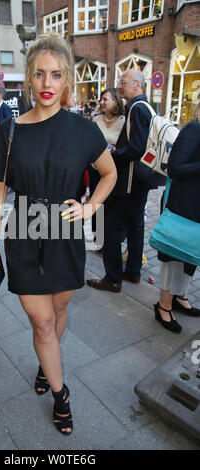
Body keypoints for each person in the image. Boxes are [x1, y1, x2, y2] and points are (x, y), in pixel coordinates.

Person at [0, 33, 117, 435]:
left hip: (65, 231)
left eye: (56, 75)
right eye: (39, 74)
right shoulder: (8, 131)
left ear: (67, 81)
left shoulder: (83, 131)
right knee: (41, 322)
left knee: (58, 312)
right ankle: (61, 393)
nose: (47, 83)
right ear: (28, 78)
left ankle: (46, 365)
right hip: (23, 229)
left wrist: (90, 207)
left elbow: (108, 175)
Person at [87, 69, 155, 293]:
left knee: (111, 228)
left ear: (137, 85)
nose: (119, 85)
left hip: (128, 182)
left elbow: (136, 148)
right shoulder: (145, 107)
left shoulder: (136, 109)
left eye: (123, 82)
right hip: (141, 181)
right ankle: (133, 271)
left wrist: (109, 157)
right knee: (136, 224)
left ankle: (113, 278)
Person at [154, 102, 200, 333]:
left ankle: (180, 297)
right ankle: (163, 305)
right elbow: (175, 168)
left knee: (191, 253)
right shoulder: (193, 128)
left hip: (197, 207)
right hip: (183, 204)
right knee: (174, 251)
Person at [86, 88, 124, 254]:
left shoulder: (123, 122)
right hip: (95, 170)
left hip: (114, 171)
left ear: (115, 101)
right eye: (101, 99)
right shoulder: (95, 121)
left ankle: (110, 241)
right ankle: (98, 239)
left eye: (105, 99)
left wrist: (115, 150)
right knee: (96, 204)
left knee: (111, 208)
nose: (101, 102)